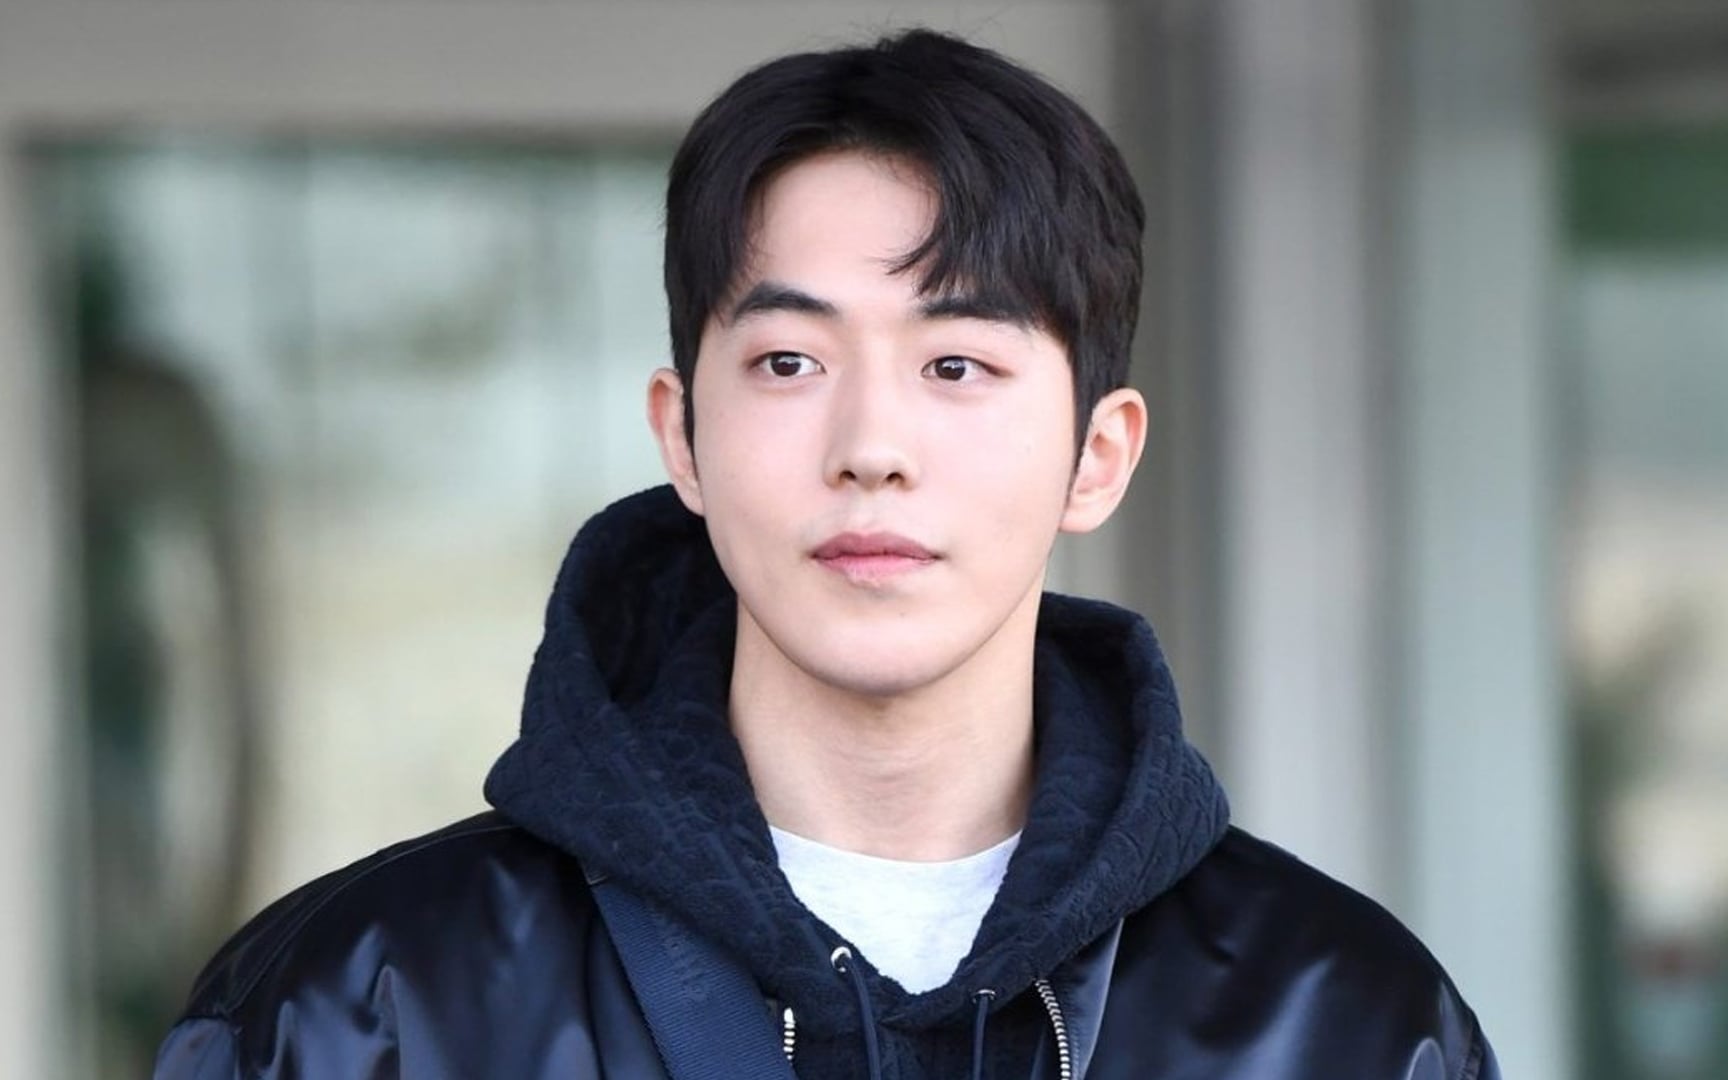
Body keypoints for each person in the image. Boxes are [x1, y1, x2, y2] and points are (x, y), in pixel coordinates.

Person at [155, 28, 1498, 1080]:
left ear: (1099, 455)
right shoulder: (362, 1008)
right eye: (790, 361)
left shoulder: (1346, 1022)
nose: (872, 447)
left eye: (957, 365)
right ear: (682, 437)